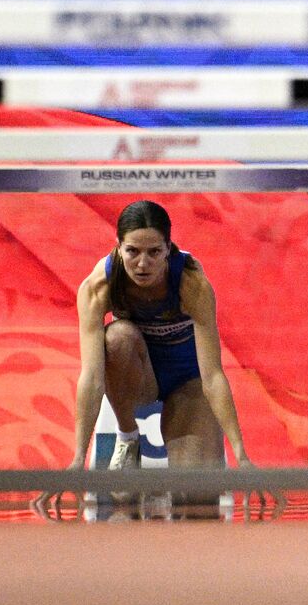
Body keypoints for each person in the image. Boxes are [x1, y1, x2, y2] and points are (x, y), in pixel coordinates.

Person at [68, 200, 251, 491]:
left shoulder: (191, 284)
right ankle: (128, 439)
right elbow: (91, 377)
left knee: (197, 495)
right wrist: (77, 460)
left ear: (168, 248)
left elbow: (213, 376)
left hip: (188, 382)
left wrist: (243, 456)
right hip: (140, 376)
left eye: (154, 252)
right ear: (118, 247)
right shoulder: (98, 287)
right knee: (117, 339)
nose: (143, 264)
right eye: (132, 252)